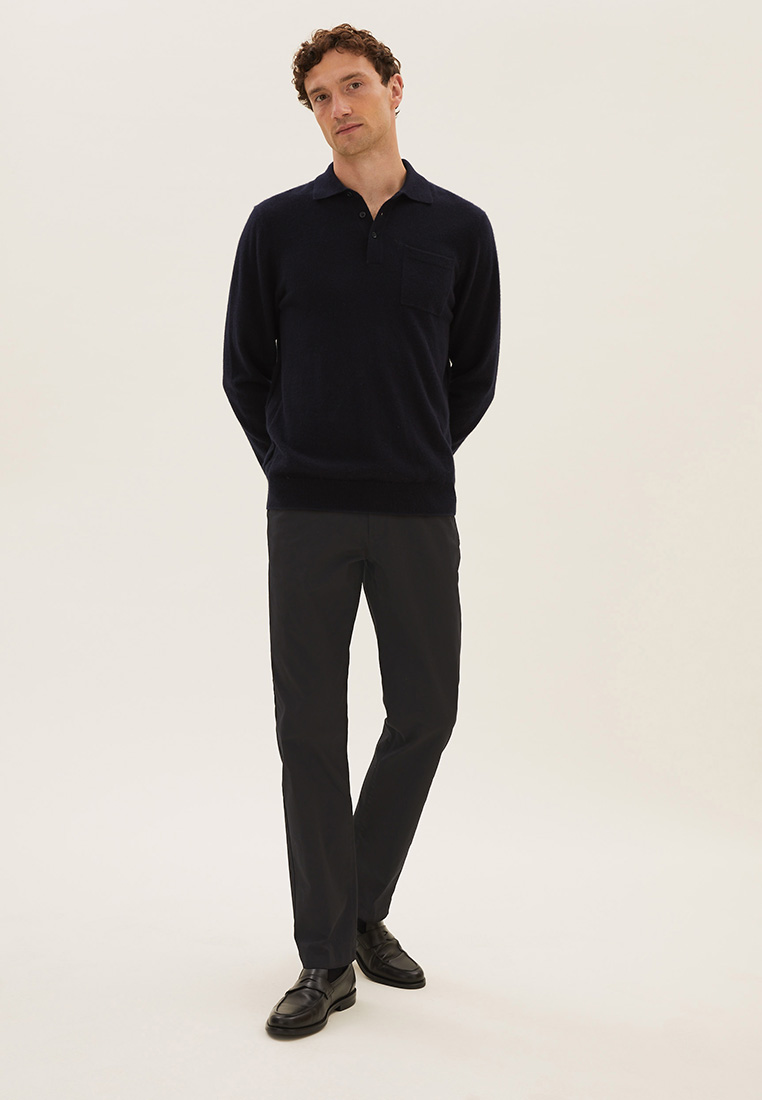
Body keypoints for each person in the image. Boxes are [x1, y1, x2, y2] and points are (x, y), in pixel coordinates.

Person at [223, 23, 500, 1039]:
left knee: (426, 709)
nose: (339, 108)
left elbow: (474, 373)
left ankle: (357, 905)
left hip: (418, 507)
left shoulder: (460, 229)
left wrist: (412, 448)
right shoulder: (277, 227)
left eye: (352, 86)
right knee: (310, 728)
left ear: (393, 88)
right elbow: (244, 369)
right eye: (319, 98)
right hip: (308, 511)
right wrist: (295, 460)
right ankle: (325, 955)